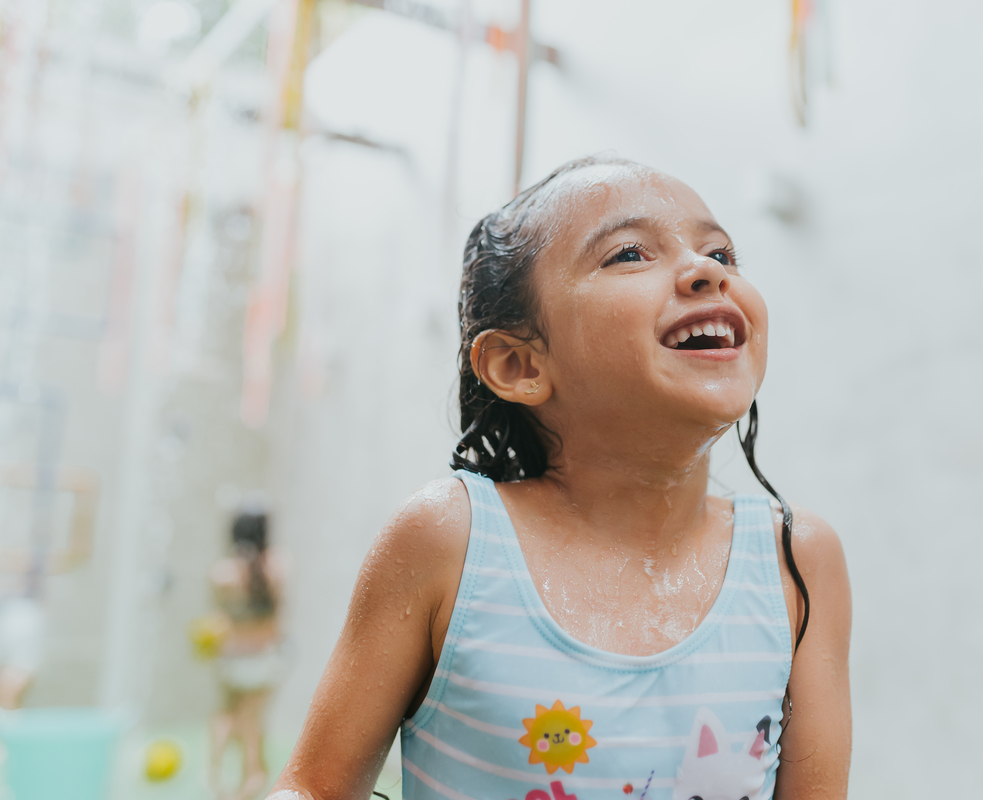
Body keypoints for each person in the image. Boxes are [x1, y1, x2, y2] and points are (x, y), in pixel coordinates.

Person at [269, 156, 852, 799]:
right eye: (629, 253)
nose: (706, 270)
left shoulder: (794, 562)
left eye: (721, 252)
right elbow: (314, 791)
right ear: (519, 364)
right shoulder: (452, 544)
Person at [210, 506, 286, 800]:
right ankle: (252, 781)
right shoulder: (278, 566)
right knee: (253, 719)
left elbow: (218, 619)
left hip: (232, 657)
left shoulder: (223, 573)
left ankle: (215, 776)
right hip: (264, 657)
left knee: (226, 713)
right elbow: (279, 617)